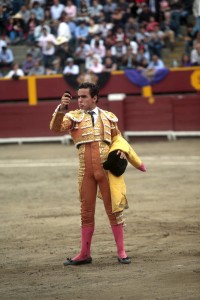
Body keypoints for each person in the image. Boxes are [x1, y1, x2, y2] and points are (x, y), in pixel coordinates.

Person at [50, 82, 146, 266]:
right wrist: (61, 108)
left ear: (94, 98)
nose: (80, 100)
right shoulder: (72, 116)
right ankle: (84, 253)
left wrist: (121, 151)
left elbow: (118, 139)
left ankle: (121, 252)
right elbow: (56, 128)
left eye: (84, 96)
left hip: (105, 171)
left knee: (114, 211)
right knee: (86, 213)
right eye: (78, 97)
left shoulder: (109, 117)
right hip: (85, 172)